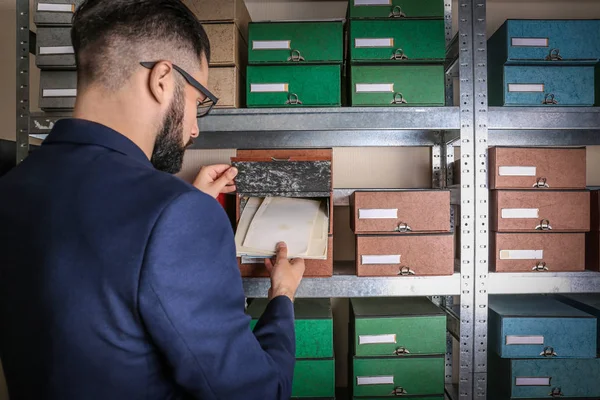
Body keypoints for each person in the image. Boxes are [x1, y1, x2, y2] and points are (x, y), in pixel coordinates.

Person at [0, 0, 306, 399]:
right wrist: (282, 295)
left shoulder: (13, 186)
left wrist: (178, 208)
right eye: (199, 102)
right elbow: (260, 393)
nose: (194, 129)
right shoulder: (176, 215)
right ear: (163, 78)